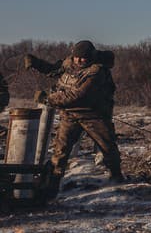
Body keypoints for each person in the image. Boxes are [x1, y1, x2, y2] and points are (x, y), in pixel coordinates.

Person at [26, 40, 123, 196]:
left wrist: (47, 99)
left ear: (91, 57)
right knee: (60, 152)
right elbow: (54, 70)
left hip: (93, 116)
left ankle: (117, 179)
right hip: (69, 115)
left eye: (83, 58)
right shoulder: (70, 62)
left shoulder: (97, 72)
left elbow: (77, 95)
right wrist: (36, 63)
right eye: (76, 57)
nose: (78, 60)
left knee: (108, 148)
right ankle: (52, 188)